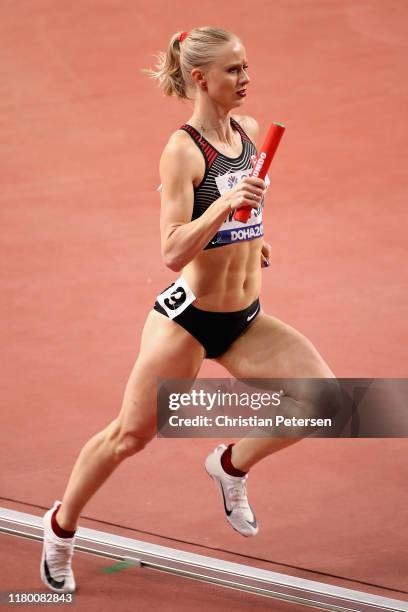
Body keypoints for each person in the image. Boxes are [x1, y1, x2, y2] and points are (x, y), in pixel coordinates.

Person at [40, 26, 336, 594]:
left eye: (247, 67)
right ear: (200, 78)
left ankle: (229, 466)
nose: (246, 79)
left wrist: (253, 236)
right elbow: (173, 249)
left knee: (322, 399)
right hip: (188, 321)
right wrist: (227, 205)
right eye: (233, 71)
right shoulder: (182, 150)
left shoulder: (248, 133)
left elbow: (240, 222)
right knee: (129, 436)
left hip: (244, 319)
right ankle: (60, 527)